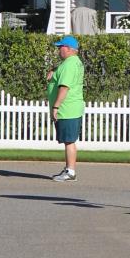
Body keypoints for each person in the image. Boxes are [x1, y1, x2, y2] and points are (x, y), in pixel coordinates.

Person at [46, 35, 85, 183]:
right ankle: (69, 168)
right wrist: (54, 71)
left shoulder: (69, 65)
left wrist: (56, 106)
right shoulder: (73, 62)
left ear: (68, 49)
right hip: (71, 108)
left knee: (69, 141)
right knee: (69, 140)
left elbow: (64, 87)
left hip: (67, 109)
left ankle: (70, 172)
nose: (58, 50)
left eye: (60, 47)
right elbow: (62, 74)